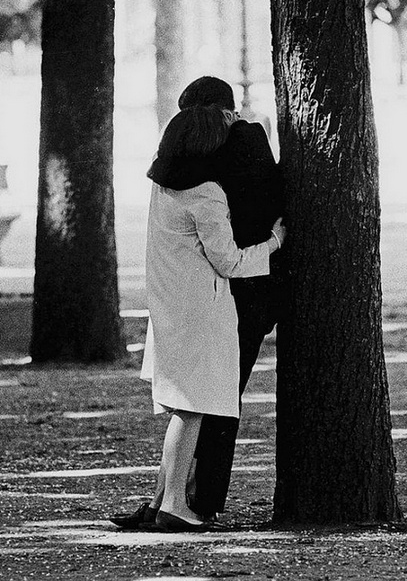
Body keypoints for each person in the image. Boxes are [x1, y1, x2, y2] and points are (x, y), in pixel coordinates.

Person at [111, 101, 286, 532]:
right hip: (204, 312)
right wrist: (275, 241)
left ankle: (159, 501)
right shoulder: (207, 194)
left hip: (171, 308)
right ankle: (174, 504)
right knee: (190, 411)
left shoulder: (164, 187)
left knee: (181, 408)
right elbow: (229, 261)